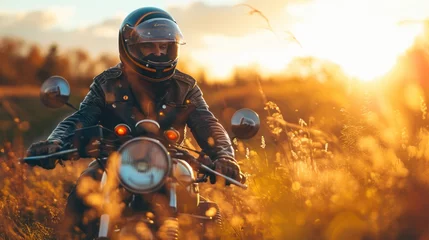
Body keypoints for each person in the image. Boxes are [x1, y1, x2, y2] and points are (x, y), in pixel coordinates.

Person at [26, 7, 242, 238]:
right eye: (149, 46)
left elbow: (207, 122)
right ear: (130, 47)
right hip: (114, 160)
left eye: (164, 46)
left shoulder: (185, 87)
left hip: (172, 162)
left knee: (199, 207)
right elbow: (81, 118)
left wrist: (224, 156)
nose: (158, 53)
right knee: (84, 190)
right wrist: (55, 143)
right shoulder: (107, 84)